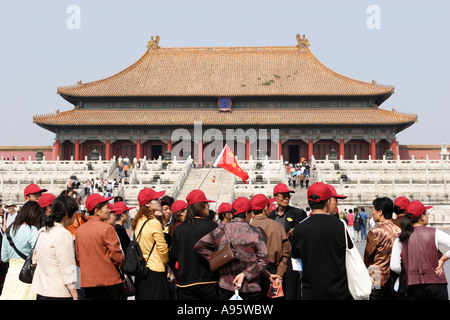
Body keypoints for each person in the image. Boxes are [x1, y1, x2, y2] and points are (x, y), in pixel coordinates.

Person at [195, 197, 269, 300]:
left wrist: (216, 259)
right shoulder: (256, 232)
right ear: (247, 213)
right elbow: (264, 260)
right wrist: (245, 273)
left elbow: (199, 245)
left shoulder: (220, 230)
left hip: (227, 285)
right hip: (250, 287)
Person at [291, 182, 353, 300]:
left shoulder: (299, 229)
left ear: (309, 202)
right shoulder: (340, 226)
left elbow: (296, 260)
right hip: (338, 291)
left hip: (311, 292)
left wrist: (303, 274)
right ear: (328, 202)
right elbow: (349, 252)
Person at [390, 200, 450, 300]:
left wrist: (409, 270)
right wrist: (443, 259)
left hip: (413, 285)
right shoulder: (434, 233)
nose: (427, 215)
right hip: (436, 283)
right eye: (426, 213)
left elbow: (394, 266)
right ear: (422, 217)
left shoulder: (401, 237)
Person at [169, 190, 219, 300]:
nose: (208, 207)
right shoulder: (213, 226)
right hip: (209, 281)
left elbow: (173, 255)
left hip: (186, 282)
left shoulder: (179, 229)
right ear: (202, 206)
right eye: (206, 205)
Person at [75, 194, 123, 300]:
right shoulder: (107, 228)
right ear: (97, 211)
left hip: (88, 282)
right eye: (106, 207)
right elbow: (116, 256)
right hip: (109, 281)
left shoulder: (79, 230)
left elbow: (78, 258)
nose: (109, 210)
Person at [31, 195, 79, 300]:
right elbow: (67, 267)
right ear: (67, 215)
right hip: (58, 292)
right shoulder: (63, 234)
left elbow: (34, 260)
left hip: (42, 289)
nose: (76, 216)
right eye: (75, 213)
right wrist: (75, 294)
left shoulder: (43, 231)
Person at [269, 183, 307, 299]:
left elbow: (304, 238)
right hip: (275, 261)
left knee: (292, 290)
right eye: (283, 195)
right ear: (275, 196)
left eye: (288, 196)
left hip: (292, 259)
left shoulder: (298, 213)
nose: (286, 198)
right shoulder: (271, 216)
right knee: (276, 291)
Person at [250, 194, 290, 299]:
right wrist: (279, 275)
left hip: (253, 275)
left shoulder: (247, 228)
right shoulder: (278, 226)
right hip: (275, 273)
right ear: (265, 208)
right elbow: (286, 254)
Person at [131, 188, 169, 300]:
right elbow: (163, 249)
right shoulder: (153, 223)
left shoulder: (139, 221)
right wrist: (165, 261)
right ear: (147, 203)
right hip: (155, 269)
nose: (159, 201)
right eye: (156, 199)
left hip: (142, 269)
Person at [0, 201, 43, 300]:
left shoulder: (9, 231)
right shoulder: (32, 230)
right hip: (27, 274)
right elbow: (38, 252)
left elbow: (4, 257)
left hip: (11, 274)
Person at [363, 197, 400, 300]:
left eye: (374, 209)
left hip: (377, 274)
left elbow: (368, 257)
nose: (373, 212)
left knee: (376, 297)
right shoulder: (398, 230)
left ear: (380, 212)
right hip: (394, 274)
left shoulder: (375, 232)